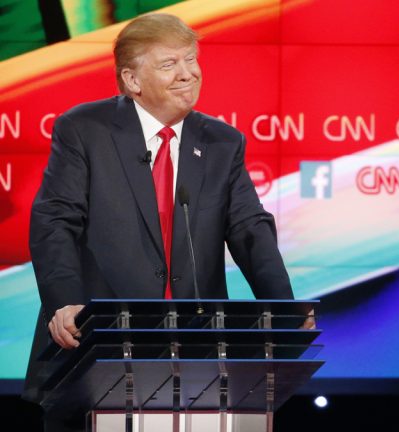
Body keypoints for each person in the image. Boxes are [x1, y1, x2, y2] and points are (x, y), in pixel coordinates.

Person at [23, 13, 312, 431]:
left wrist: (283, 308)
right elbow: (54, 221)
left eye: (191, 60)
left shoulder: (222, 142)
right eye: (169, 64)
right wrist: (65, 302)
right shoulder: (85, 129)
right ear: (132, 80)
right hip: (98, 349)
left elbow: (251, 229)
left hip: (197, 358)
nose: (188, 74)